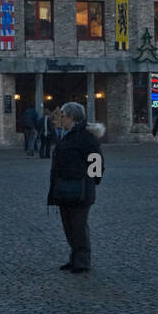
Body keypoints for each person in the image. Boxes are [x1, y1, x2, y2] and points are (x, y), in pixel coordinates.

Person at [47, 102, 104, 275]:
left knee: (79, 226)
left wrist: (91, 180)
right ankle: (74, 257)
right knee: (69, 226)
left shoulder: (85, 137)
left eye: (63, 115)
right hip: (64, 188)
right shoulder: (67, 135)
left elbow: (96, 160)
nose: (61, 119)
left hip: (80, 189)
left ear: (72, 117)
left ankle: (82, 260)